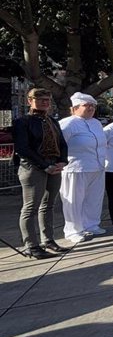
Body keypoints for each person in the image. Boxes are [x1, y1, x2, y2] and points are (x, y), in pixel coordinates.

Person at [13, 88, 69, 259]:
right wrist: (44, 165)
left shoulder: (52, 120)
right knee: (30, 208)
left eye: (47, 100)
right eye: (40, 100)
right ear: (29, 101)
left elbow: (62, 143)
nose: (45, 102)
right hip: (33, 168)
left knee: (48, 205)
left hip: (53, 166)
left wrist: (62, 160)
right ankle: (31, 245)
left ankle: (48, 240)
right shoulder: (22, 122)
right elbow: (23, 148)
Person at [59, 92, 108, 242]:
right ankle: (73, 230)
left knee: (94, 198)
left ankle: (91, 224)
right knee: (74, 200)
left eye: (93, 106)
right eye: (87, 105)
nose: (91, 108)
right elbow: (59, 146)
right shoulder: (67, 123)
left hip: (97, 166)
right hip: (76, 167)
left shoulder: (96, 123)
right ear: (75, 108)